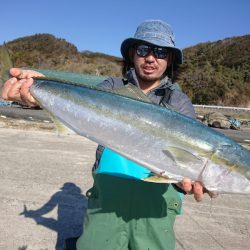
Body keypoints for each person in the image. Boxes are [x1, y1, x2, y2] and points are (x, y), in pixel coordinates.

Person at [2, 20, 216, 250]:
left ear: (170, 59)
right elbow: (77, 103)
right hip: (107, 198)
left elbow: (190, 155)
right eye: (144, 50)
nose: (151, 58)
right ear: (133, 53)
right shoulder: (112, 87)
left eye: (161, 51)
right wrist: (38, 90)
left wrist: (187, 179)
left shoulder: (178, 101)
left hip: (156, 208)